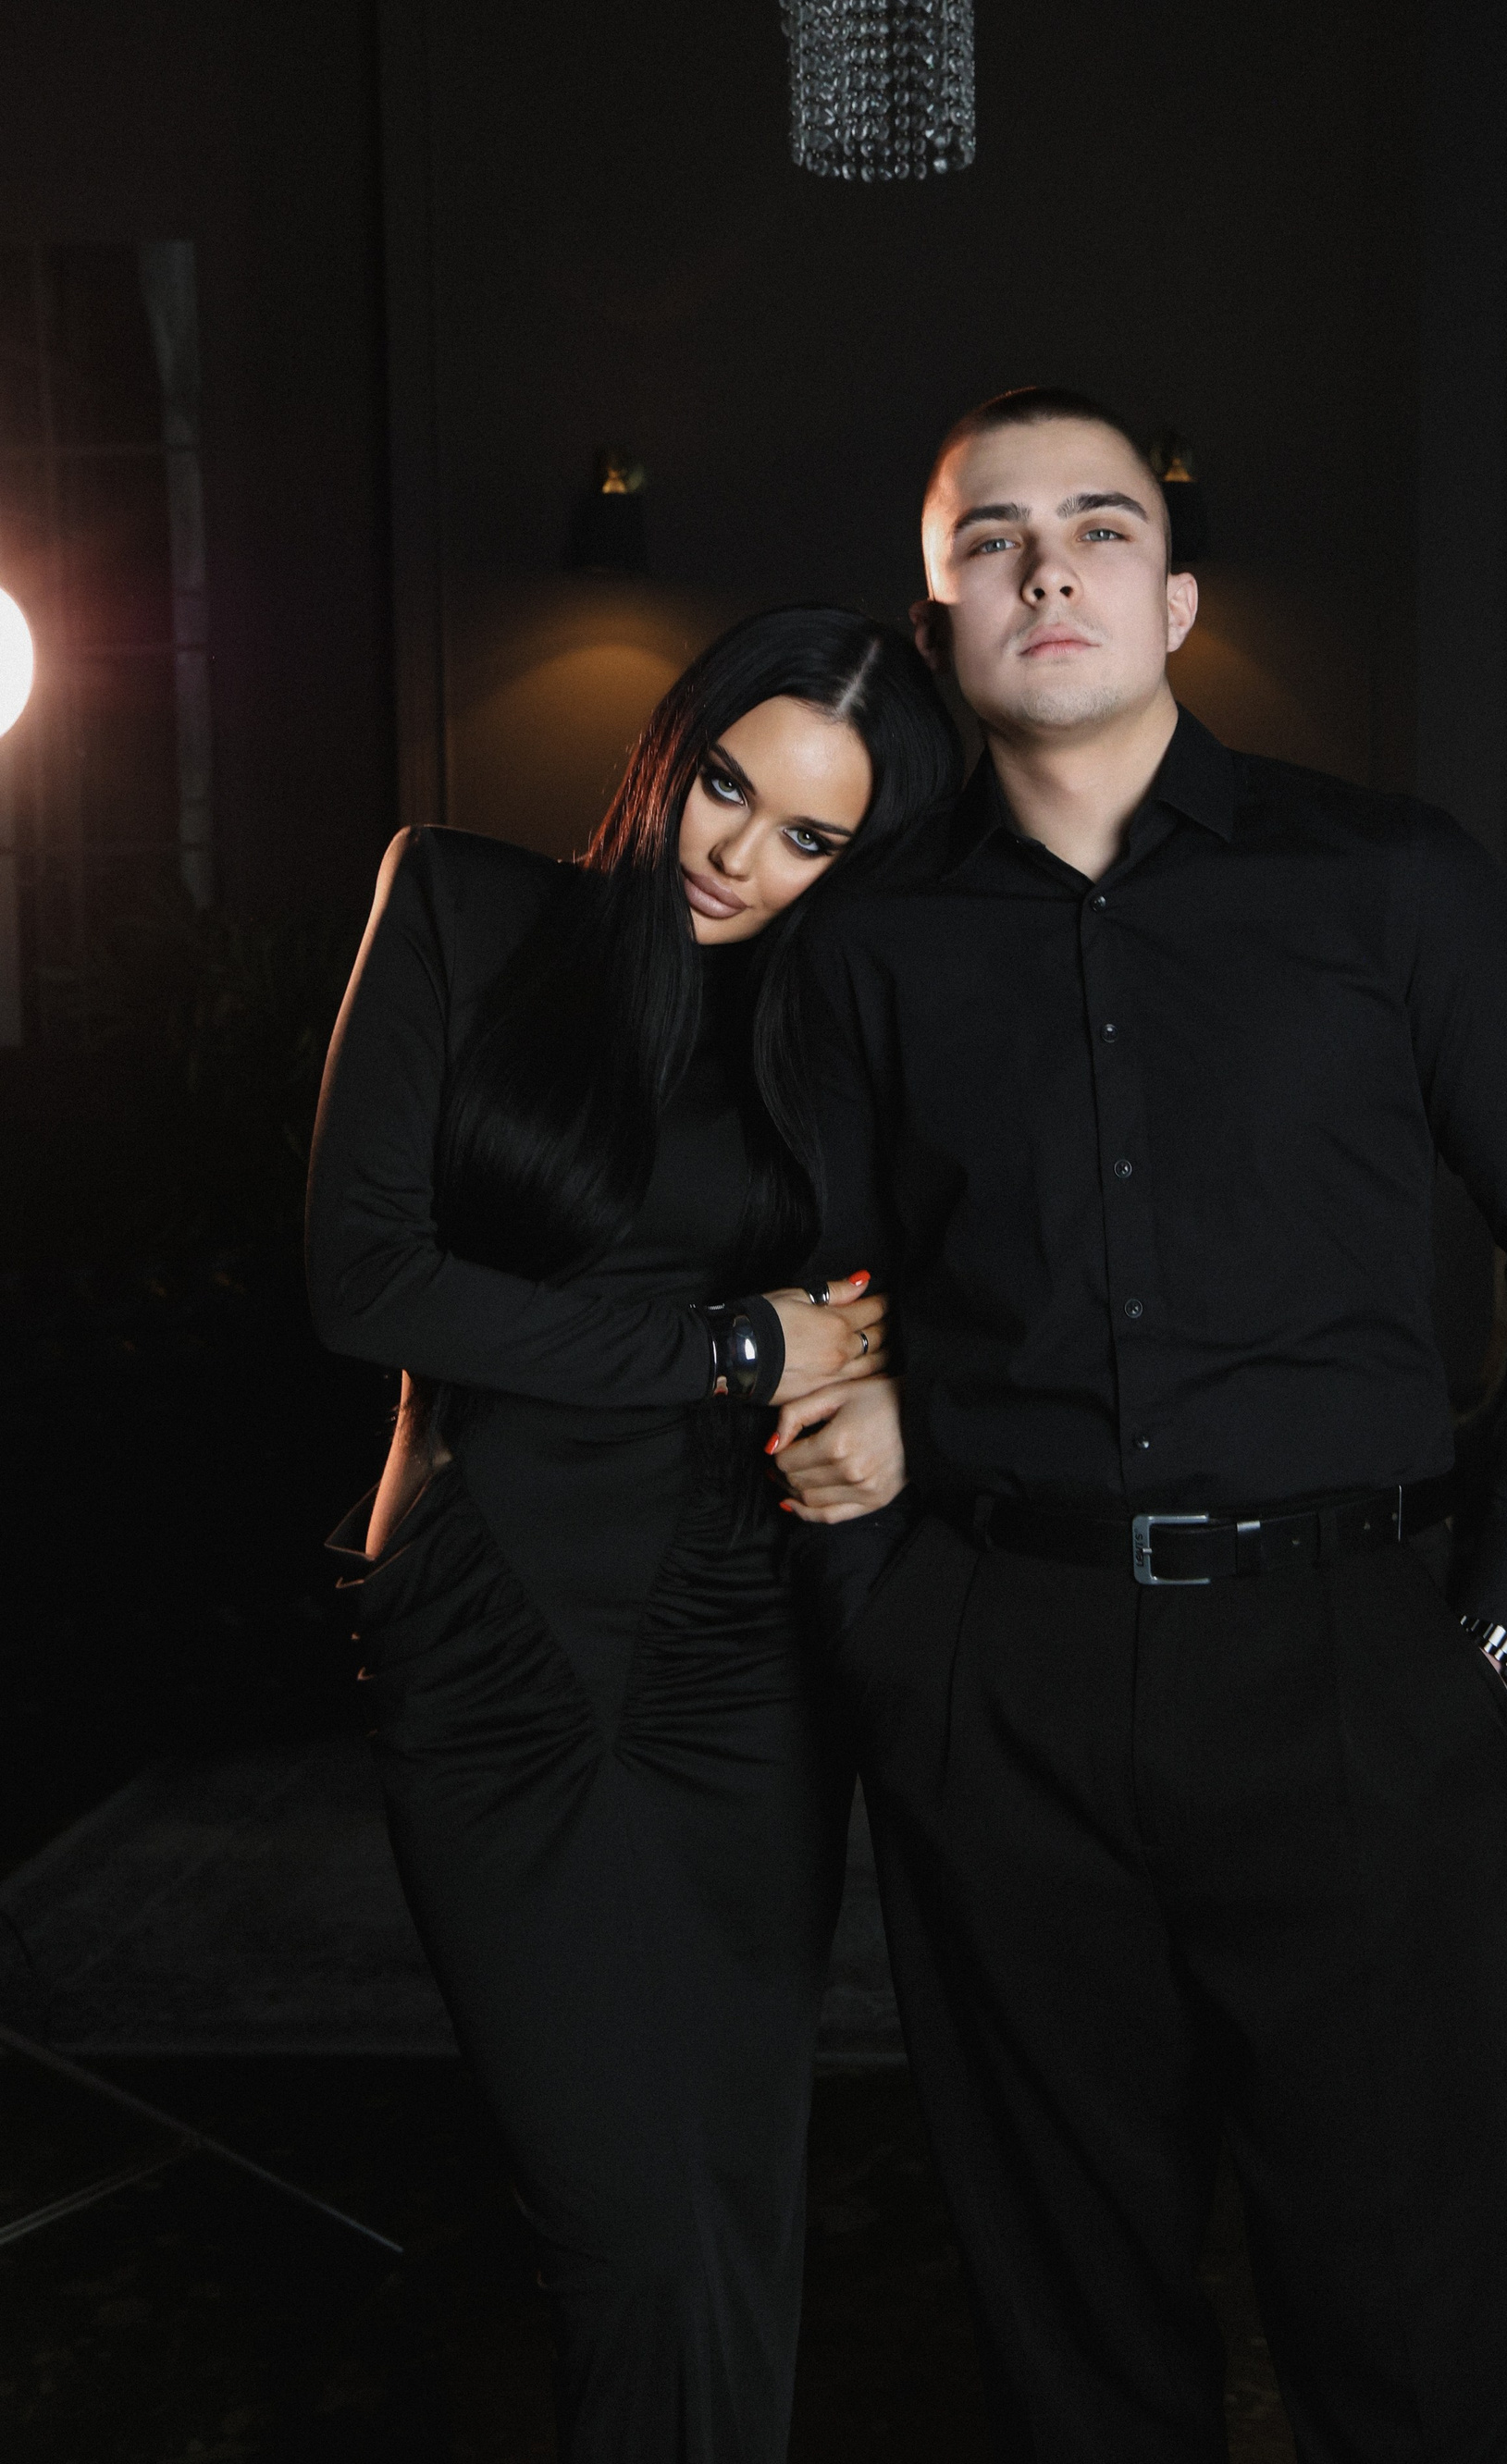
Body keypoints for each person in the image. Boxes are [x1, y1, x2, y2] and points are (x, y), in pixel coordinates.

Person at [771, 388, 1507, 2462]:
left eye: (1101, 526)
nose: (1049, 566)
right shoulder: (870, 943)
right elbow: (824, 1288)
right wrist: (891, 1629)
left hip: (1348, 1665)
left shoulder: (1388, 883)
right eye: (993, 537)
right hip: (998, 1674)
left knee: (1419, 2329)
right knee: (1070, 2330)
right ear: (939, 621)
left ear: (1174, 602)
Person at [305, 605, 956, 2463]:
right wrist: (732, 1346)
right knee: (621, 2220)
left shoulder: (840, 1033)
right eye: (727, 786)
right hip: (492, 1622)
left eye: (810, 836)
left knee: (731, 2203)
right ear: (672, 747)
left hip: (743, 1644)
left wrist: (891, 1387)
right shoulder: (460, 907)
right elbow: (367, 1283)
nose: (738, 856)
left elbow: (935, 1292)